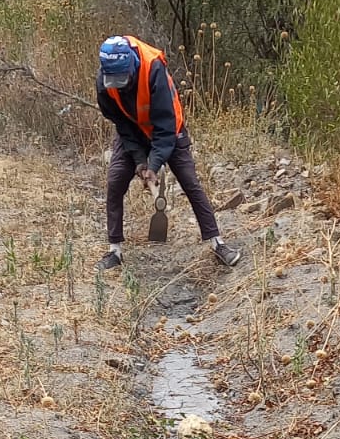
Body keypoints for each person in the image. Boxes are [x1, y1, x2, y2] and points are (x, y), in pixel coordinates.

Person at [96, 34, 241, 270]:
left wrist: (153, 166)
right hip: (132, 130)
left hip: (169, 127)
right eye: (114, 81)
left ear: (133, 65)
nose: (119, 85)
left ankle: (218, 244)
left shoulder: (153, 69)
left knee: (190, 182)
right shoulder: (105, 80)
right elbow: (121, 123)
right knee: (115, 181)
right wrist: (140, 161)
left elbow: (165, 128)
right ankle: (115, 251)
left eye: (123, 79)